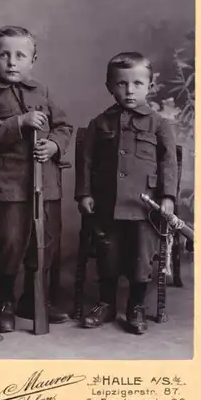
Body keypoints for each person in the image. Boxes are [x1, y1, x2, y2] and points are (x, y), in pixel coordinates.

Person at [0, 26, 73, 333]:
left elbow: (65, 126)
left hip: (46, 184)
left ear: (32, 60)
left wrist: (54, 145)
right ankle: (4, 300)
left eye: (20, 55)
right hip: (9, 187)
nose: (12, 62)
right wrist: (19, 122)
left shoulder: (42, 92)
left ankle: (33, 299)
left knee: (46, 242)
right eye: (4, 55)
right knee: (10, 244)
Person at [75, 52, 177, 334]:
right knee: (108, 252)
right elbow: (85, 162)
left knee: (141, 257)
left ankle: (136, 305)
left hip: (145, 206)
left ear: (150, 86)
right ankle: (106, 303)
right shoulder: (100, 123)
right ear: (109, 86)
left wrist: (167, 197)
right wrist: (84, 194)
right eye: (121, 84)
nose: (129, 91)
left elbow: (169, 163)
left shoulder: (159, 124)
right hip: (107, 205)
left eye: (137, 84)